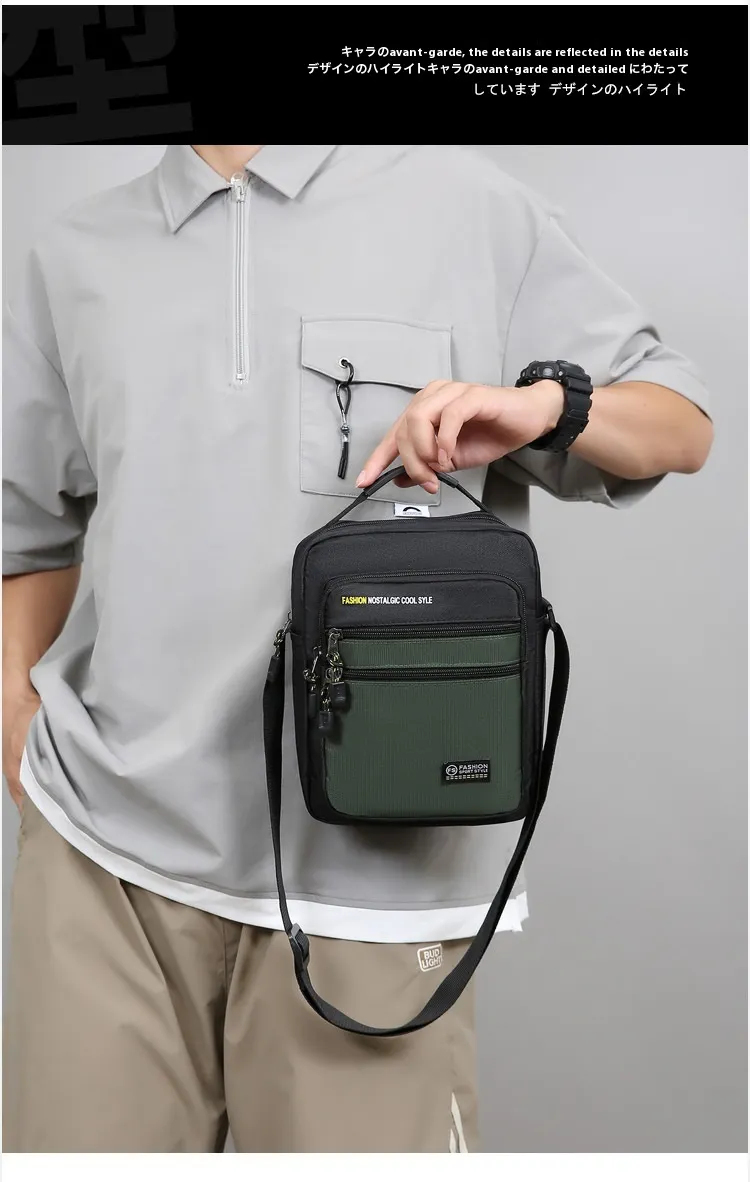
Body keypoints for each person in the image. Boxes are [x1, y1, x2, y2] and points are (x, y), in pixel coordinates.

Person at [2, 144, 713, 1153]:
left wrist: (545, 406)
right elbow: (25, 527)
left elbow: (680, 425)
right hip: (102, 854)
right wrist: (16, 717)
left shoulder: (468, 207)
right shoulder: (75, 252)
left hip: (375, 875)